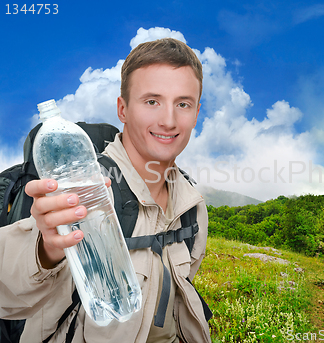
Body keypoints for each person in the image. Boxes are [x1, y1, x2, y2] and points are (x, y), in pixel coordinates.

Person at [0, 38, 211, 343]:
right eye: (152, 101)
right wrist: (46, 249)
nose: (168, 120)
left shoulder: (192, 205)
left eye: (183, 104)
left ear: (196, 112)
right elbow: (9, 289)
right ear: (122, 109)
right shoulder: (83, 186)